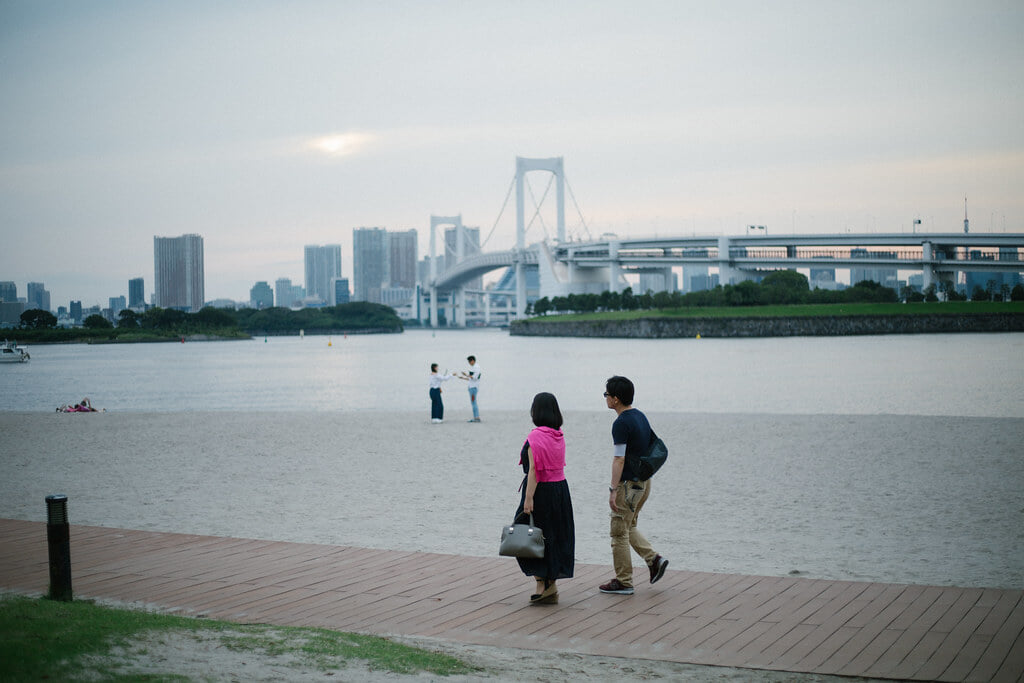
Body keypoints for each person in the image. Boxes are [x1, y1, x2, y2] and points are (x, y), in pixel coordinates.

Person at [599, 375, 669, 595]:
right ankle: (654, 560)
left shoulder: (620, 423)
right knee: (629, 527)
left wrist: (613, 490)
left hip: (628, 487)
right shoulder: (640, 416)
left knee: (618, 532)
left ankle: (624, 581)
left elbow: (619, 459)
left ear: (616, 399)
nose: (605, 398)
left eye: (607, 394)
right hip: (644, 484)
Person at [513, 392, 574, 605]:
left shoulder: (536, 437)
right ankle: (550, 584)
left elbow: (534, 473)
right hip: (560, 490)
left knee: (526, 535)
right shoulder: (558, 434)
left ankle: (543, 583)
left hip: (541, 492)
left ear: (536, 411)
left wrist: (528, 499)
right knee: (553, 537)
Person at [459, 355, 482, 422]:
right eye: (468, 361)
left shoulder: (476, 367)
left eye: (469, 361)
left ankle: (476, 417)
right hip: (471, 387)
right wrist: (463, 378)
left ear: (473, 360)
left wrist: (465, 374)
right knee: (473, 402)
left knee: (474, 402)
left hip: (473, 388)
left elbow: (475, 377)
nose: (469, 362)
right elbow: (470, 378)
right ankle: (476, 417)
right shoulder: (473, 367)